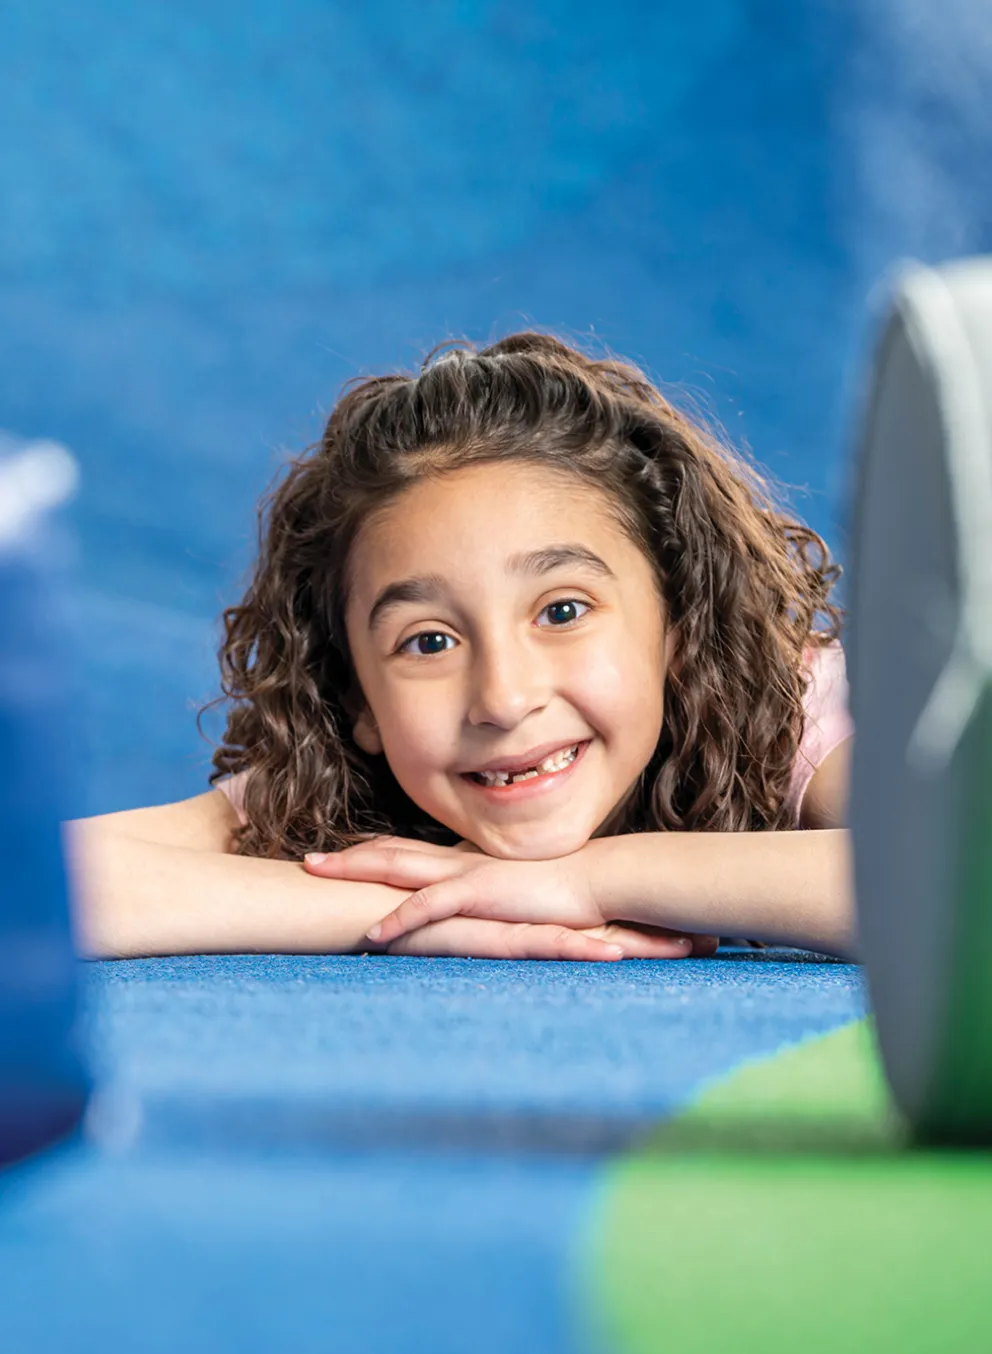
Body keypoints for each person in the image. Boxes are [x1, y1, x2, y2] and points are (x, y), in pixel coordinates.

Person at [66, 333, 855, 963]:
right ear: (359, 701)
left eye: (563, 610)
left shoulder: (794, 714)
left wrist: (593, 881)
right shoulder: (349, 784)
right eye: (429, 641)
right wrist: (422, 909)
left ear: (677, 630)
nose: (505, 699)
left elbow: (960, 881)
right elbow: (34, 889)